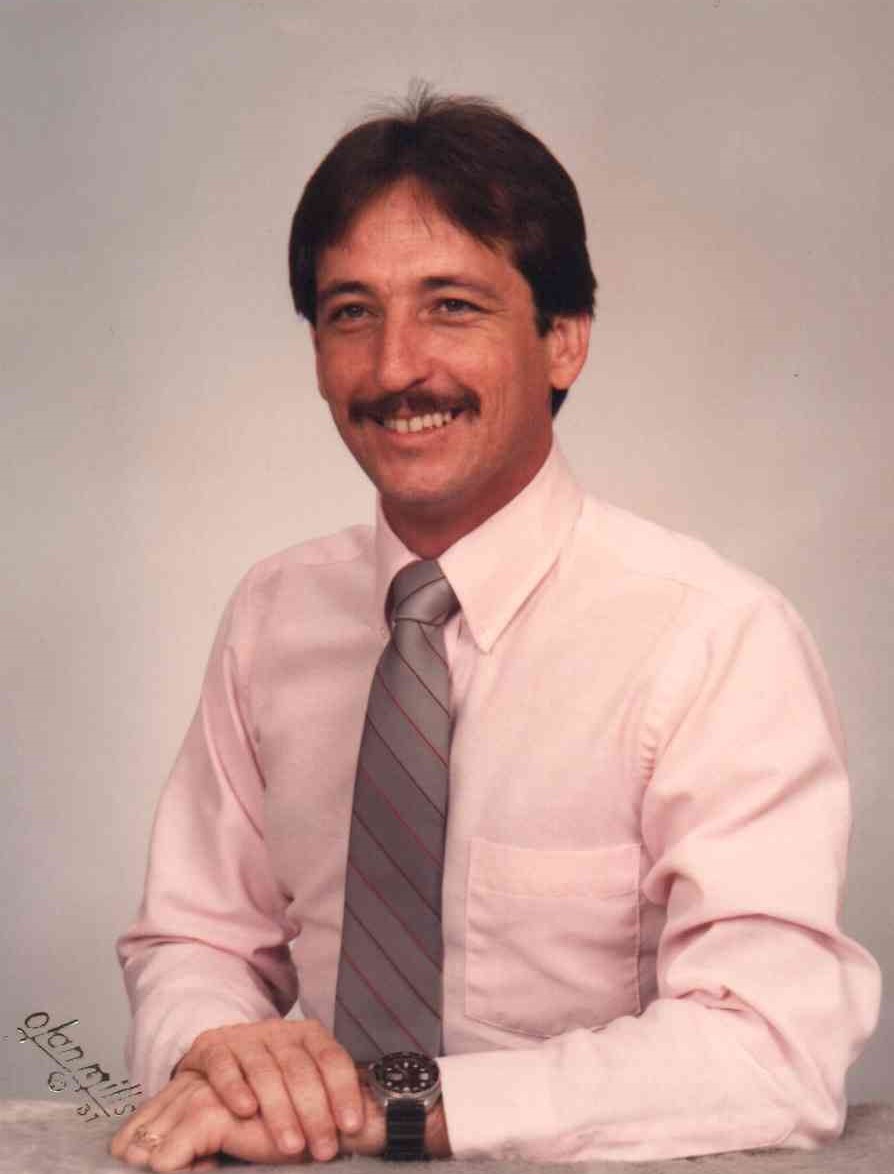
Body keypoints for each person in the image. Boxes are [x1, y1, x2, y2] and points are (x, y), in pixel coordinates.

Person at [111, 89, 880, 1170]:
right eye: (351, 313)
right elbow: (194, 939)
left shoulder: (715, 641)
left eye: (452, 307)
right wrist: (218, 1049)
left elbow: (771, 1048)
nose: (395, 368)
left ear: (563, 341)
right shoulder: (271, 617)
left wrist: (398, 1107)